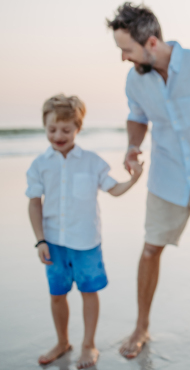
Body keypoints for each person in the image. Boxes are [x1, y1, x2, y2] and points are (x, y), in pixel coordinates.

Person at [106, 2, 190, 358]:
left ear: (149, 43)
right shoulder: (135, 79)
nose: (122, 58)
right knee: (150, 249)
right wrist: (133, 146)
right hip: (166, 176)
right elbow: (137, 115)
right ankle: (141, 326)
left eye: (126, 50)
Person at [27, 94, 143, 369]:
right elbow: (34, 204)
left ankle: (88, 344)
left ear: (77, 128)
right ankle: (62, 341)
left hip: (86, 243)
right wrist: (40, 240)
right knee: (57, 294)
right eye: (52, 129)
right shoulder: (39, 165)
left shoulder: (92, 162)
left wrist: (134, 178)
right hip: (53, 242)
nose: (58, 135)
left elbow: (114, 190)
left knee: (89, 292)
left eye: (66, 130)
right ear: (44, 128)